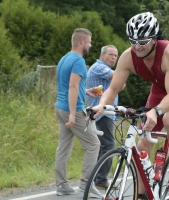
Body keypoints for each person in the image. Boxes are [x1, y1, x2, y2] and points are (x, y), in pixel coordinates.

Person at [92, 12, 169, 198]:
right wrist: (101, 106)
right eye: (133, 40)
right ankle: (143, 193)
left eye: (142, 41)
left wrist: (155, 111)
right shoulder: (128, 56)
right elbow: (113, 89)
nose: (137, 46)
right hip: (159, 91)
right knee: (142, 147)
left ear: (154, 38)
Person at [54, 28, 103, 197]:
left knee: (63, 147)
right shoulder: (79, 61)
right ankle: (86, 184)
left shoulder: (64, 58)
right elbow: (72, 86)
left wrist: (87, 91)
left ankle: (61, 185)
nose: (90, 45)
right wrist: (74, 114)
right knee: (93, 144)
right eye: (89, 42)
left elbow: (70, 85)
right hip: (71, 110)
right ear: (82, 41)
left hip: (60, 108)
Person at [86, 45, 121, 189]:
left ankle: (97, 177)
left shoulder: (105, 70)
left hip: (106, 112)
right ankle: (100, 179)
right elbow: (119, 79)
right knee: (108, 145)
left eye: (116, 56)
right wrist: (118, 80)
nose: (113, 58)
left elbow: (121, 84)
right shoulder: (99, 67)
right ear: (102, 55)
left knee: (103, 145)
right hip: (102, 113)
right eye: (111, 54)